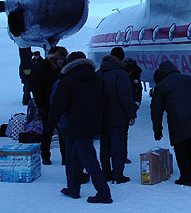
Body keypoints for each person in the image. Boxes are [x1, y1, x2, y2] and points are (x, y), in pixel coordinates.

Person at [48, 51, 112, 204]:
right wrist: (104, 126)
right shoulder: (97, 79)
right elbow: (106, 104)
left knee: (89, 160)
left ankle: (104, 192)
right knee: (74, 158)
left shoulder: (68, 80)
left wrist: (50, 126)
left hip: (76, 125)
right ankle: (73, 187)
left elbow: (58, 106)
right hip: (91, 125)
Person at [150, 61, 191, 186]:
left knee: (180, 147)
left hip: (177, 118)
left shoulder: (161, 87)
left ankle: (186, 178)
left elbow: (156, 110)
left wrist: (157, 129)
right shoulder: (188, 79)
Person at [98, 47, 136, 183]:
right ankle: (118, 175)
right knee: (117, 146)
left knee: (104, 146)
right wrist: (131, 115)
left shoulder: (100, 72)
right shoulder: (121, 74)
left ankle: (106, 173)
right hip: (118, 116)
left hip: (102, 116)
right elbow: (126, 96)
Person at [31, 46, 68, 165]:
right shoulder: (42, 68)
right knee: (47, 132)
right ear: (53, 59)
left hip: (61, 105)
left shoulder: (65, 69)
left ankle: (65, 156)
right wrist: (41, 106)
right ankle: (45, 155)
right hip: (47, 106)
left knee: (62, 132)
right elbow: (37, 89)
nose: (61, 61)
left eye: (62, 59)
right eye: (59, 59)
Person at [123, 57, 143, 163]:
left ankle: (122, 155)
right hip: (120, 110)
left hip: (128, 109)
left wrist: (135, 106)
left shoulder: (135, 77)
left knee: (123, 134)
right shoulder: (121, 77)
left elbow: (138, 92)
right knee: (118, 134)